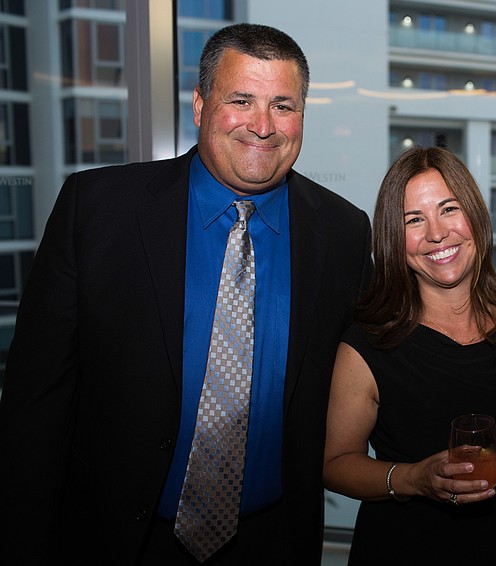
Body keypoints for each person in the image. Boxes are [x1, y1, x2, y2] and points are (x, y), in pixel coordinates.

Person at [0, 23, 372, 565]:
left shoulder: (342, 232)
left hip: (272, 543)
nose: (263, 126)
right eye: (241, 100)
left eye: (283, 106)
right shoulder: (98, 210)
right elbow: (35, 409)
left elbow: (367, 370)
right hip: (117, 540)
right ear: (199, 105)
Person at [323, 146, 496, 565]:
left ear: (475, 215)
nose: (437, 234)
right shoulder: (367, 345)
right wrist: (414, 479)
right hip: (402, 549)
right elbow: (333, 463)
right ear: (392, 238)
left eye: (449, 209)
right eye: (414, 220)